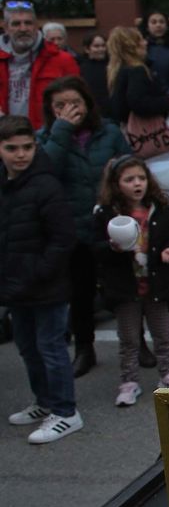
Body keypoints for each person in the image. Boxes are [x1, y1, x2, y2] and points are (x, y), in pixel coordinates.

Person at [39, 75, 133, 377]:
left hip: (109, 224)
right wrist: (62, 130)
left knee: (126, 288)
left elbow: (128, 167)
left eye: (75, 103)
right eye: (61, 105)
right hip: (72, 227)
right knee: (79, 292)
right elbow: (45, 172)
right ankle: (84, 347)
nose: (70, 109)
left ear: (87, 103)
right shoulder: (46, 137)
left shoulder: (107, 131)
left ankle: (138, 342)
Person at [0, 114, 81, 444]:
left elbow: (63, 239)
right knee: (28, 349)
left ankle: (65, 412)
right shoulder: (5, 184)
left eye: (27, 147)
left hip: (46, 286)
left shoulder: (46, 184)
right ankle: (44, 402)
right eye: (11, 148)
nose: (20, 154)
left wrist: (37, 274)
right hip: (15, 286)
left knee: (51, 348)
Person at [92, 154, 169, 405]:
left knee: (163, 334)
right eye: (129, 179)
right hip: (125, 286)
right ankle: (129, 381)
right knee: (130, 338)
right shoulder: (106, 213)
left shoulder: (160, 209)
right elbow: (96, 248)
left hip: (156, 284)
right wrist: (113, 247)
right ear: (116, 184)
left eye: (141, 178)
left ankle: (167, 374)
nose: (137, 184)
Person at [0, 2, 80, 130]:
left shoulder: (62, 60)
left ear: (36, 25)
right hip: (5, 139)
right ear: (5, 27)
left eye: (28, 23)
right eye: (16, 24)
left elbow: (78, 102)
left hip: (48, 137)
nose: (23, 29)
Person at [107, 26, 169, 157]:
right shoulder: (137, 70)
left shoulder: (116, 71)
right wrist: (167, 102)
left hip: (129, 132)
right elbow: (138, 102)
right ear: (131, 46)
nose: (145, 43)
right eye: (140, 40)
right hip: (150, 134)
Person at [141, 11, 169, 93]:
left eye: (162, 22)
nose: (158, 25)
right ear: (147, 27)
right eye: (154, 22)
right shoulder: (141, 46)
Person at [78, 31, 111, 106]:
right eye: (96, 46)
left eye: (103, 46)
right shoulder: (82, 67)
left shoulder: (112, 66)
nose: (101, 49)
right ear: (87, 49)